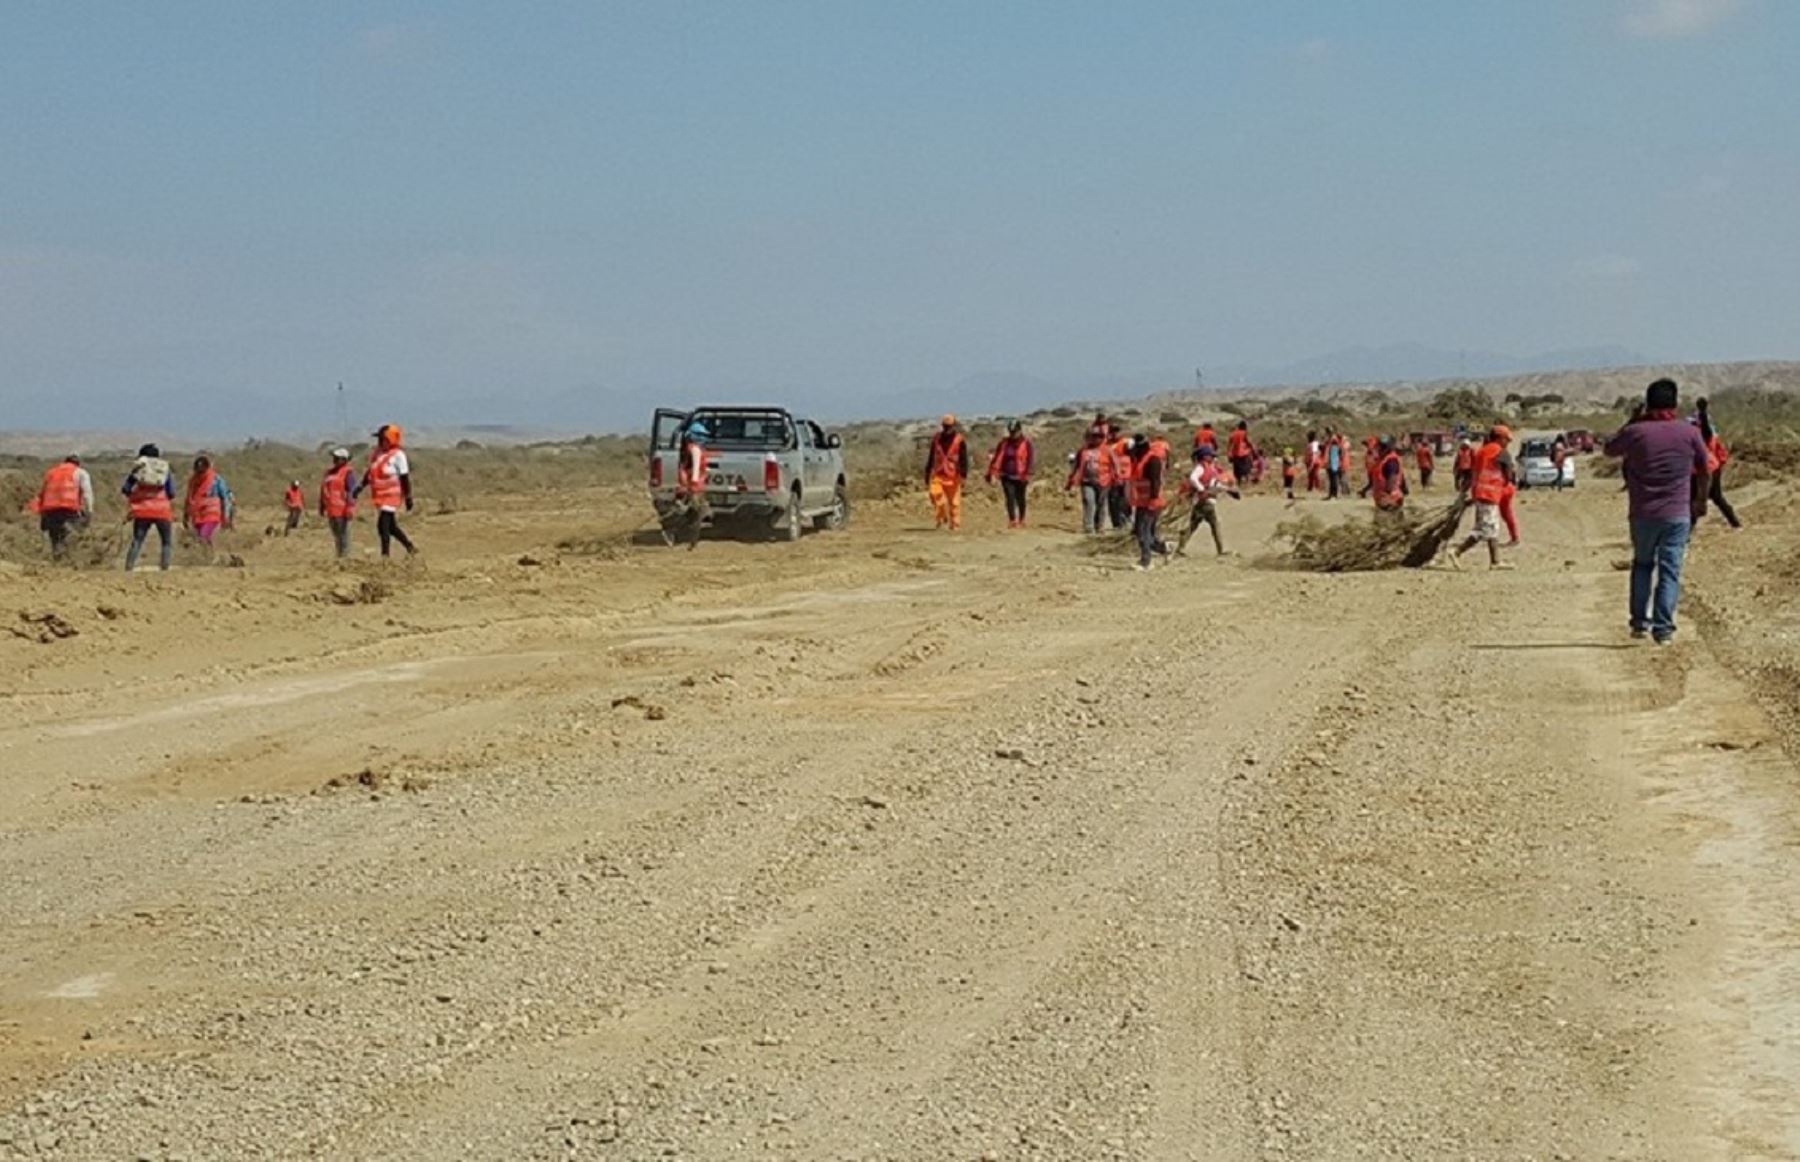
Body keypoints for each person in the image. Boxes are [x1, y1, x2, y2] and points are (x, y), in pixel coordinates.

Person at [1604, 379, 1710, 644]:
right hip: (1677, 514)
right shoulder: (1689, 433)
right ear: (1675, 403)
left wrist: (1631, 420)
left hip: (1642, 514)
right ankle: (1663, 629)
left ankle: (1640, 623)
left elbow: (1609, 449)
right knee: (1670, 570)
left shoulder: (1636, 432)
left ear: (1648, 403)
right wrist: (1701, 499)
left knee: (1642, 565)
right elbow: (1706, 468)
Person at [1449, 426, 1516, 570]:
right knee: (1484, 529)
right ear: (1499, 438)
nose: (1507, 443)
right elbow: (1509, 474)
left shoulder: (1481, 451)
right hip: (1490, 494)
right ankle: (1457, 551)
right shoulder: (1500, 452)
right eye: (1506, 439)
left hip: (1480, 492)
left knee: (1493, 527)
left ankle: (1495, 562)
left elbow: (1474, 473)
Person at [357, 424, 417, 558]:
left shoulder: (399, 456)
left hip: (392, 495)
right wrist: (360, 486)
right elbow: (370, 472)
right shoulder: (377, 453)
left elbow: (404, 478)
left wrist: (408, 497)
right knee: (391, 527)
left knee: (382, 525)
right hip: (379, 495)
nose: (379, 442)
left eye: (382, 439)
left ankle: (385, 556)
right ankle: (410, 547)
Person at [1177, 445, 1240, 557]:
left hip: (1204, 501)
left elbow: (1215, 484)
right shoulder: (1201, 468)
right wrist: (1201, 489)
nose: (1213, 458)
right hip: (1205, 501)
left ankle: (1180, 548)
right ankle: (1221, 549)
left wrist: (1228, 491)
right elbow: (1193, 478)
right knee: (1214, 524)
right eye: (1211, 456)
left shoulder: (1210, 468)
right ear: (1205, 457)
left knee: (1193, 525)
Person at [123, 444, 176, 572]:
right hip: (162, 511)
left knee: (137, 541)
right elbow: (172, 492)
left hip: (142, 510)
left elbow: (125, 489)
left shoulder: (139, 468)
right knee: (166, 542)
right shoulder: (164, 469)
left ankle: (129, 568)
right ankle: (164, 568)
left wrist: (136, 497)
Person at [32, 455, 92, 561]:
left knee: (55, 538)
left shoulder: (51, 472)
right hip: (69, 509)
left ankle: (57, 560)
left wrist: (41, 513)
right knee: (71, 534)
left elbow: (42, 493)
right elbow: (87, 494)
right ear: (77, 464)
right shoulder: (80, 472)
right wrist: (89, 512)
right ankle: (69, 560)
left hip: (50, 510)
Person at [1695, 398, 1742, 529]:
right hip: (1713, 468)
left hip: (1705, 469)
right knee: (1716, 498)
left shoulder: (1704, 434)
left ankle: (1687, 532)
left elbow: (1705, 430)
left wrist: (1702, 412)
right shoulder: (1711, 434)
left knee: (1697, 500)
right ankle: (1735, 524)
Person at [1127, 434, 1170, 570]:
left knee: (1143, 531)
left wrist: (1153, 500)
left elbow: (1155, 482)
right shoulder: (1141, 459)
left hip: (1151, 502)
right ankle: (1164, 549)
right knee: (1142, 531)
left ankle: (1146, 562)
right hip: (1142, 502)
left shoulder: (1152, 461)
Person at [668, 421, 713, 549]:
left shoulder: (688, 448)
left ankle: (689, 540)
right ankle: (680, 535)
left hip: (690, 485)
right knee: (696, 513)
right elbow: (696, 468)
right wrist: (693, 483)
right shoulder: (695, 449)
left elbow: (692, 466)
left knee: (692, 513)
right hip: (694, 487)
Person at [1066, 427, 1116, 534]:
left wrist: (1117, 477)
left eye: (1099, 437)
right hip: (1087, 481)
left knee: (1101, 504)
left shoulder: (1107, 449)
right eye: (1093, 436)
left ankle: (1100, 526)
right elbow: (1077, 466)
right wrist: (1072, 480)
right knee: (1089, 501)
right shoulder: (1083, 450)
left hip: (1104, 481)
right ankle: (1088, 526)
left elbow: (1115, 464)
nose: (1095, 439)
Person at [986, 419, 1035, 528]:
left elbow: (1030, 460)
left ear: (1019, 430)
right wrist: (991, 472)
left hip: (1021, 476)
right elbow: (997, 457)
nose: (1013, 434)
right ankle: (1012, 520)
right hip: (1006, 475)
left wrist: (1027, 473)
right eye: (1011, 432)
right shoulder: (1004, 443)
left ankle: (1022, 519)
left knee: (1020, 497)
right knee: (1010, 497)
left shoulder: (1026, 444)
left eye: (1015, 432)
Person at [923, 415, 968, 531]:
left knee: (954, 503)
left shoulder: (960, 440)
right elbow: (931, 457)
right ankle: (942, 518)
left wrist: (963, 475)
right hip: (938, 474)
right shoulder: (936, 438)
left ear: (954, 426)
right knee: (935, 495)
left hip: (953, 475)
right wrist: (927, 472)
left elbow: (964, 459)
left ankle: (955, 525)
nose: (947, 428)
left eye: (949, 426)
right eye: (945, 426)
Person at [183, 455, 233, 556]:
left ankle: (205, 557)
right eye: (197, 471)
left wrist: (226, 516)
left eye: (202, 471)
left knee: (203, 536)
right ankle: (210, 556)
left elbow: (225, 498)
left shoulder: (216, 480)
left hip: (212, 514)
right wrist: (185, 515)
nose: (200, 473)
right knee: (202, 538)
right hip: (197, 516)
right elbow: (188, 498)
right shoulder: (193, 481)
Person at [319, 448, 358, 560]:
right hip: (331, 509)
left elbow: (352, 491)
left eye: (337, 458)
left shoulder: (348, 473)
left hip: (342, 509)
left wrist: (350, 507)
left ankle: (345, 559)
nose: (334, 460)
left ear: (344, 460)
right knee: (336, 535)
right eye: (334, 457)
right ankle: (339, 556)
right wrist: (322, 506)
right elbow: (323, 490)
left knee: (344, 535)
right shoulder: (328, 473)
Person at [1370, 437, 1407, 518]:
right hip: (1383, 502)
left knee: (1390, 526)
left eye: (1383, 447)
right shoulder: (1381, 460)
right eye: (1379, 446)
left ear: (1388, 448)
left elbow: (1392, 482)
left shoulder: (1391, 462)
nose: (1379, 449)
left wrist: (1386, 495)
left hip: (1390, 503)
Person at [1107, 424, 1133, 530]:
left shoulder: (1126, 443)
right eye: (1112, 431)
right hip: (1113, 478)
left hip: (1127, 477)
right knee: (1114, 502)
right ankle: (1117, 524)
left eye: (1117, 431)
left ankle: (1127, 520)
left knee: (1126, 500)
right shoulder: (1107, 446)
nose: (1115, 434)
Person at [1226, 421, 1253, 486]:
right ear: (1244, 427)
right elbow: (1248, 441)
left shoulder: (1233, 433)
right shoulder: (1244, 433)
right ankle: (1247, 482)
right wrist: (1251, 447)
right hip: (1244, 453)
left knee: (1237, 469)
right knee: (1247, 468)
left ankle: (1239, 483)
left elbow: (1229, 444)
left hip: (1235, 454)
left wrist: (1229, 453)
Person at [1324, 428, 1344, 499]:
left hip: (1333, 462)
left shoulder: (1334, 440)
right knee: (1331, 479)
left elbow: (1336, 451)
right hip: (1330, 461)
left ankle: (1334, 494)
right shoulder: (1330, 440)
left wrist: (1334, 463)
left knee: (1334, 478)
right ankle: (1331, 494)